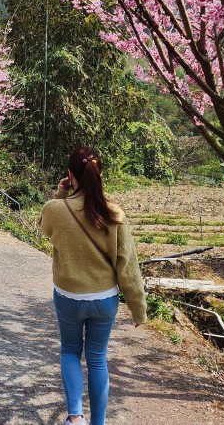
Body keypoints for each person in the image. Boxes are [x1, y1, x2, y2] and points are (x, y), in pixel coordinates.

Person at [39, 146, 146, 425]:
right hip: (104, 300)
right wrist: (138, 308)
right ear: (99, 174)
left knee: (70, 352)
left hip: (68, 297)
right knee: (97, 359)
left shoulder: (55, 209)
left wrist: (62, 194)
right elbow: (128, 264)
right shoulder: (114, 213)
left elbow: (44, 227)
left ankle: (75, 418)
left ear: (70, 175)